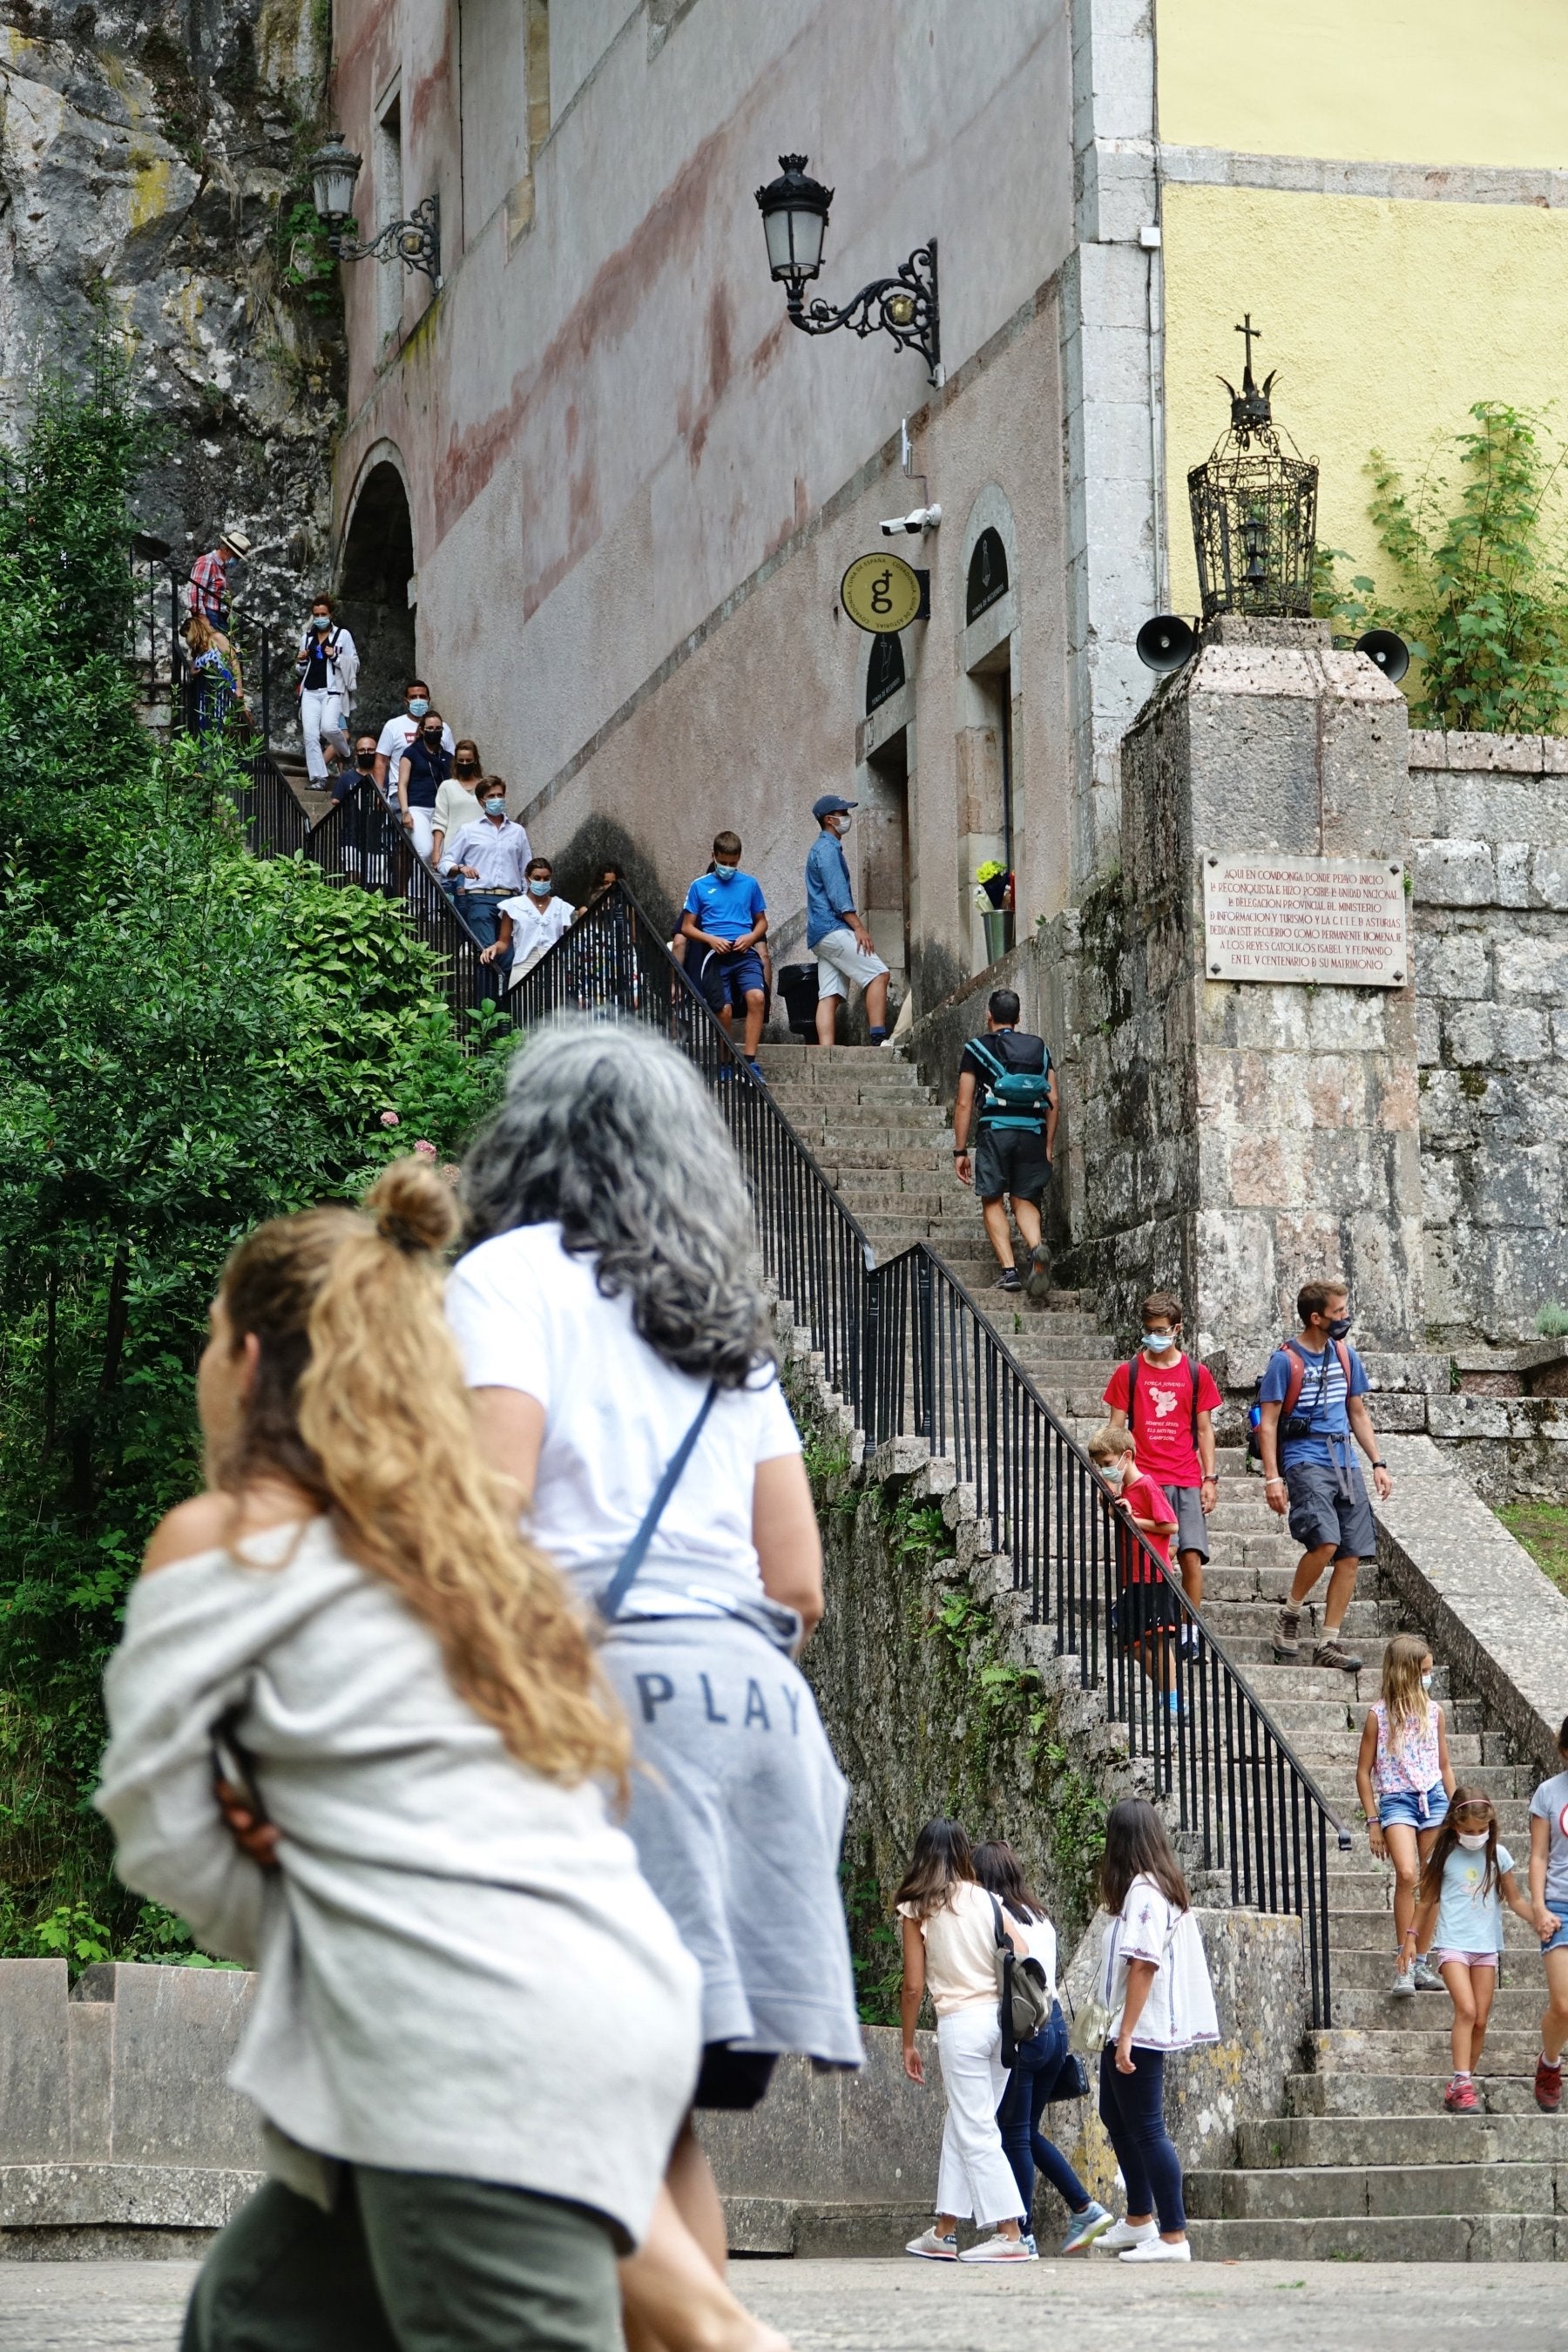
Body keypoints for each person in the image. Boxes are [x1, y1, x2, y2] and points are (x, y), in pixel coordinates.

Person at [93, 1159, 705, 2352]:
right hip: (610, 1999)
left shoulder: (229, 1540)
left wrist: (318, 1900)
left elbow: (160, 1827)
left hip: (465, 2043)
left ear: (253, 1362)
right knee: (254, 2318)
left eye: (211, 1339)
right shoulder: (475, 1567)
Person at [447, 1019, 861, 2325]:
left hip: (600, 1707)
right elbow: (796, 1581)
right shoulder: (720, 1329)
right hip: (753, 1720)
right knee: (660, 2118)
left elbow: (486, 1513)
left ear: (526, 1144)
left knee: (564, 2107)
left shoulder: (510, 1278)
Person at [896, 1818, 1031, 2263]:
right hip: (1000, 2022)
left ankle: (1011, 2234)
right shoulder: (989, 1899)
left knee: (974, 2128)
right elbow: (1023, 1955)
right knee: (965, 2122)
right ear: (963, 1851)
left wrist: (909, 2042)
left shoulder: (918, 1907)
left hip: (961, 2023)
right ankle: (944, 2231)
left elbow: (913, 1986)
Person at [970, 1841, 1112, 2256]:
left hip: (1025, 2032)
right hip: (1056, 2032)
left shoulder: (995, 1915)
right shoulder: (1039, 1915)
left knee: (1013, 2136)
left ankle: (1024, 2233)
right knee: (1025, 2133)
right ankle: (1083, 2207)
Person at [1092, 1797, 1218, 2264]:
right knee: (1116, 2113)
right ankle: (1140, 2218)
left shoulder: (1145, 1893)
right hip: (1133, 2022)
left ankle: (1173, 2236)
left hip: (1139, 2026)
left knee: (1147, 2127)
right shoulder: (1156, 1887)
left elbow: (1144, 1964)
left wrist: (1125, 2034)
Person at [1256, 1278, 1394, 1673]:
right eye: (1338, 1312)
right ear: (1316, 1318)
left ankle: (1328, 1642)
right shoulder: (1286, 1361)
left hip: (1344, 1460)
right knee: (1326, 1540)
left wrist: (1377, 1462)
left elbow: (1357, 1412)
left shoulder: (1346, 1356)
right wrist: (1272, 1477)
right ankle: (1290, 1614)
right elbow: (1267, 1424)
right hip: (1304, 1458)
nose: (1345, 1318)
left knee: (1351, 1553)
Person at [1414, 1787, 1537, 2112]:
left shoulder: (1499, 1855)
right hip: (1453, 1944)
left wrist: (1539, 1919)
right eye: (1469, 1831)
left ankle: (1460, 2085)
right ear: (1455, 1824)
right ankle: (1463, 2081)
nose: (1476, 1835)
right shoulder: (1443, 1856)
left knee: (1481, 2020)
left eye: (1482, 1830)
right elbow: (1426, 1900)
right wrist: (1411, 1939)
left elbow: (1516, 1900)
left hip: (1486, 1947)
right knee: (1466, 2010)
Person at [1101, 1292, 1220, 1624]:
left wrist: (1209, 1479)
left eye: (1161, 1330)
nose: (1155, 1336)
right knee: (1152, 1556)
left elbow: (1204, 1430)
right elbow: (1115, 1430)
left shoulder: (1197, 1374)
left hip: (1185, 1476)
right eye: (1149, 1329)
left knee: (1191, 1556)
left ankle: (1190, 1629)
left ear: (1177, 1329)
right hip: (1143, 1478)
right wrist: (1112, 1479)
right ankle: (1144, 1615)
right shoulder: (1129, 1373)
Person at [1355, 1632, 1453, 1996]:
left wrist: (1455, 1805)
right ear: (1406, 1673)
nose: (1430, 1677)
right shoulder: (1377, 1717)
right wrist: (1372, 1821)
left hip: (1434, 1798)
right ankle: (1404, 1962)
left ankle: (1422, 1961)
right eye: (1425, 1671)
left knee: (1432, 1879)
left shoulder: (1434, 1712)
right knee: (1407, 1873)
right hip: (1397, 1799)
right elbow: (1363, 1772)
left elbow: (1443, 1764)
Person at [951, 990, 1058, 1295]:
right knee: (1023, 1199)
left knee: (993, 1199)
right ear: (1018, 1017)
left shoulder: (976, 1048)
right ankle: (1037, 1249)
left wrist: (960, 1150)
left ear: (989, 1015)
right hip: (1033, 1133)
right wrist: (1048, 1145)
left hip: (996, 1133)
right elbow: (1054, 1099)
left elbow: (963, 1103)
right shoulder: (1040, 1049)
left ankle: (1010, 1272)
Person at [1088, 1425, 1181, 1717]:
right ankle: (1168, 1693)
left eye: (1106, 1464)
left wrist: (1135, 1519)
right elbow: (1122, 1516)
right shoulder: (1127, 1490)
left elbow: (1171, 1526)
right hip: (1134, 1577)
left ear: (1125, 1457)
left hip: (1153, 1573)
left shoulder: (1147, 1485)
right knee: (1134, 1644)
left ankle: (1173, 1702)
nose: (1104, 1470)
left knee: (1158, 1638)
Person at [805, 794, 890, 1047]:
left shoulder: (820, 849)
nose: (847, 817)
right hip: (833, 928)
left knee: (829, 995)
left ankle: (825, 1053)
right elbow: (838, 896)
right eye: (843, 813)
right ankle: (878, 1039)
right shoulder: (828, 850)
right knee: (879, 974)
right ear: (829, 820)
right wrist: (859, 928)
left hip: (820, 934)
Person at [681, 833, 768, 1076]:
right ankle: (725, 1060)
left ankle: (750, 1061)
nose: (728, 868)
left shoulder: (750, 884)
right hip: (714, 954)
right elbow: (687, 927)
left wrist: (751, 937)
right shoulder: (699, 886)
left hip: (744, 950)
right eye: (724, 863)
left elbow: (762, 922)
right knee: (724, 1011)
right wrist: (710, 939)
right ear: (714, 856)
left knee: (757, 998)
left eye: (733, 863)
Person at [1527, 1718, 1568, 2114]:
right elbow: (1539, 1855)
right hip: (1559, 1906)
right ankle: (1549, 2064)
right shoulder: (1548, 1793)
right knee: (1564, 2004)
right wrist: (1538, 1906)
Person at [441, 780, 533, 956]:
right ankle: (486, 984)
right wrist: (461, 868)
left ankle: (505, 984)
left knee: (508, 957)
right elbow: (445, 863)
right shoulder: (469, 830)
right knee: (485, 953)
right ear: (481, 801)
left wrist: (525, 899)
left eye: (500, 795)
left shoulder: (518, 831)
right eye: (491, 796)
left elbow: (526, 869)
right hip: (479, 898)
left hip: (511, 900)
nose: (497, 799)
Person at [294, 594, 358, 785]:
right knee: (310, 735)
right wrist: (301, 661)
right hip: (310, 691)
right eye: (316, 614)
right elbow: (301, 670)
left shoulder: (342, 635)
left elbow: (355, 664)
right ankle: (318, 777)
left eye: (323, 614)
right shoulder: (307, 637)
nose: (320, 618)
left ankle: (346, 753)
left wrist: (335, 657)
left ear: (331, 614)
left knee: (329, 727)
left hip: (332, 690)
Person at [483, 857, 576, 989]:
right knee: (523, 1007)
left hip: (555, 966)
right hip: (524, 964)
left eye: (546, 878)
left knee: (556, 1008)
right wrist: (494, 948)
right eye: (537, 878)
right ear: (528, 878)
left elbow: (568, 943)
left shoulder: (562, 907)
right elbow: (504, 942)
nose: (542, 882)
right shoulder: (513, 906)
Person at [374, 681, 454, 800]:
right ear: (406, 701)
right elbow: (381, 761)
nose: (418, 700)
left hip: (437, 791)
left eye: (422, 697)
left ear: (429, 700)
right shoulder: (393, 726)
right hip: (400, 791)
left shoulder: (443, 728)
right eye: (413, 697)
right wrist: (379, 795)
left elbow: (452, 761)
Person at [396, 709, 453, 864]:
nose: (434, 732)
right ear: (422, 730)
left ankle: (428, 889)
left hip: (441, 810)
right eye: (430, 728)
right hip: (417, 808)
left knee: (440, 855)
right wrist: (405, 811)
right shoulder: (411, 753)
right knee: (425, 851)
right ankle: (418, 889)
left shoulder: (447, 757)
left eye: (438, 729)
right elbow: (402, 784)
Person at [180, 612, 244, 739]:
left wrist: (239, 688)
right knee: (207, 728)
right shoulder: (199, 649)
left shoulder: (217, 638)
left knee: (222, 727)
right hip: (206, 693)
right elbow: (193, 669)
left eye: (187, 636)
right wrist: (195, 671)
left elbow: (234, 660)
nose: (187, 640)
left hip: (222, 688)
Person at [430, 739, 486, 875]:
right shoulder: (447, 787)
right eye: (461, 761)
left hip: (481, 851)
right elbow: (440, 821)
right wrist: (436, 851)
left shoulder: (485, 787)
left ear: (476, 760)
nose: (465, 764)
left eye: (469, 760)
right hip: (454, 852)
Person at [329, 731, 382, 874]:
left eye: (371, 750)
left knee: (377, 876)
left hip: (378, 834)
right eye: (362, 750)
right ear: (356, 753)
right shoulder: (347, 778)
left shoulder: (384, 778)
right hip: (351, 833)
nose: (366, 753)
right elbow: (335, 800)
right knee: (353, 873)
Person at [188, 527, 251, 627]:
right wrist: (202, 619)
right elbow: (196, 591)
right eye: (236, 556)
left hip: (218, 615)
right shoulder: (207, 562)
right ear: (226, 549)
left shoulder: (220, 567)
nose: (236, 560)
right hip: (209, 614)